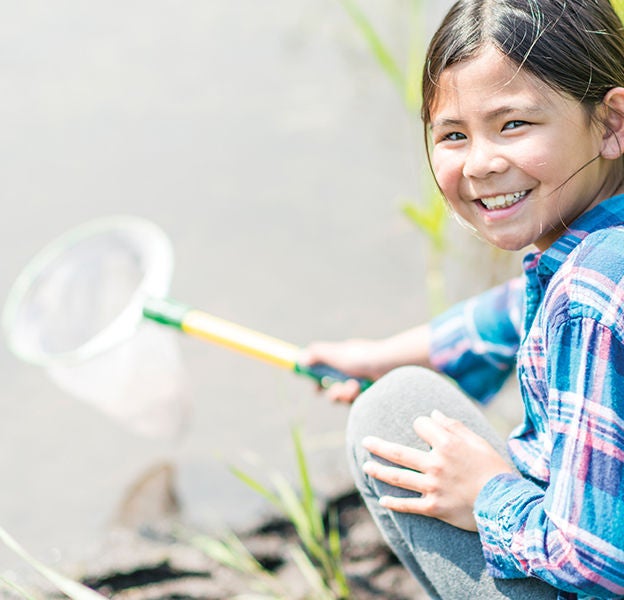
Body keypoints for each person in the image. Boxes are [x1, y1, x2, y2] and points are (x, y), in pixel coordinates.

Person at [298, 1, 624, 598]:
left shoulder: (593, 288)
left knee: (395, 410)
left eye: (514, 125)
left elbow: (600, 558)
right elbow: (512, 311)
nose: (480, 163)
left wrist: (486, 494)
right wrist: (383, 354)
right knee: (399, 378)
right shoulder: (597, 258)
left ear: (610, 124)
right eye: (453, 134)